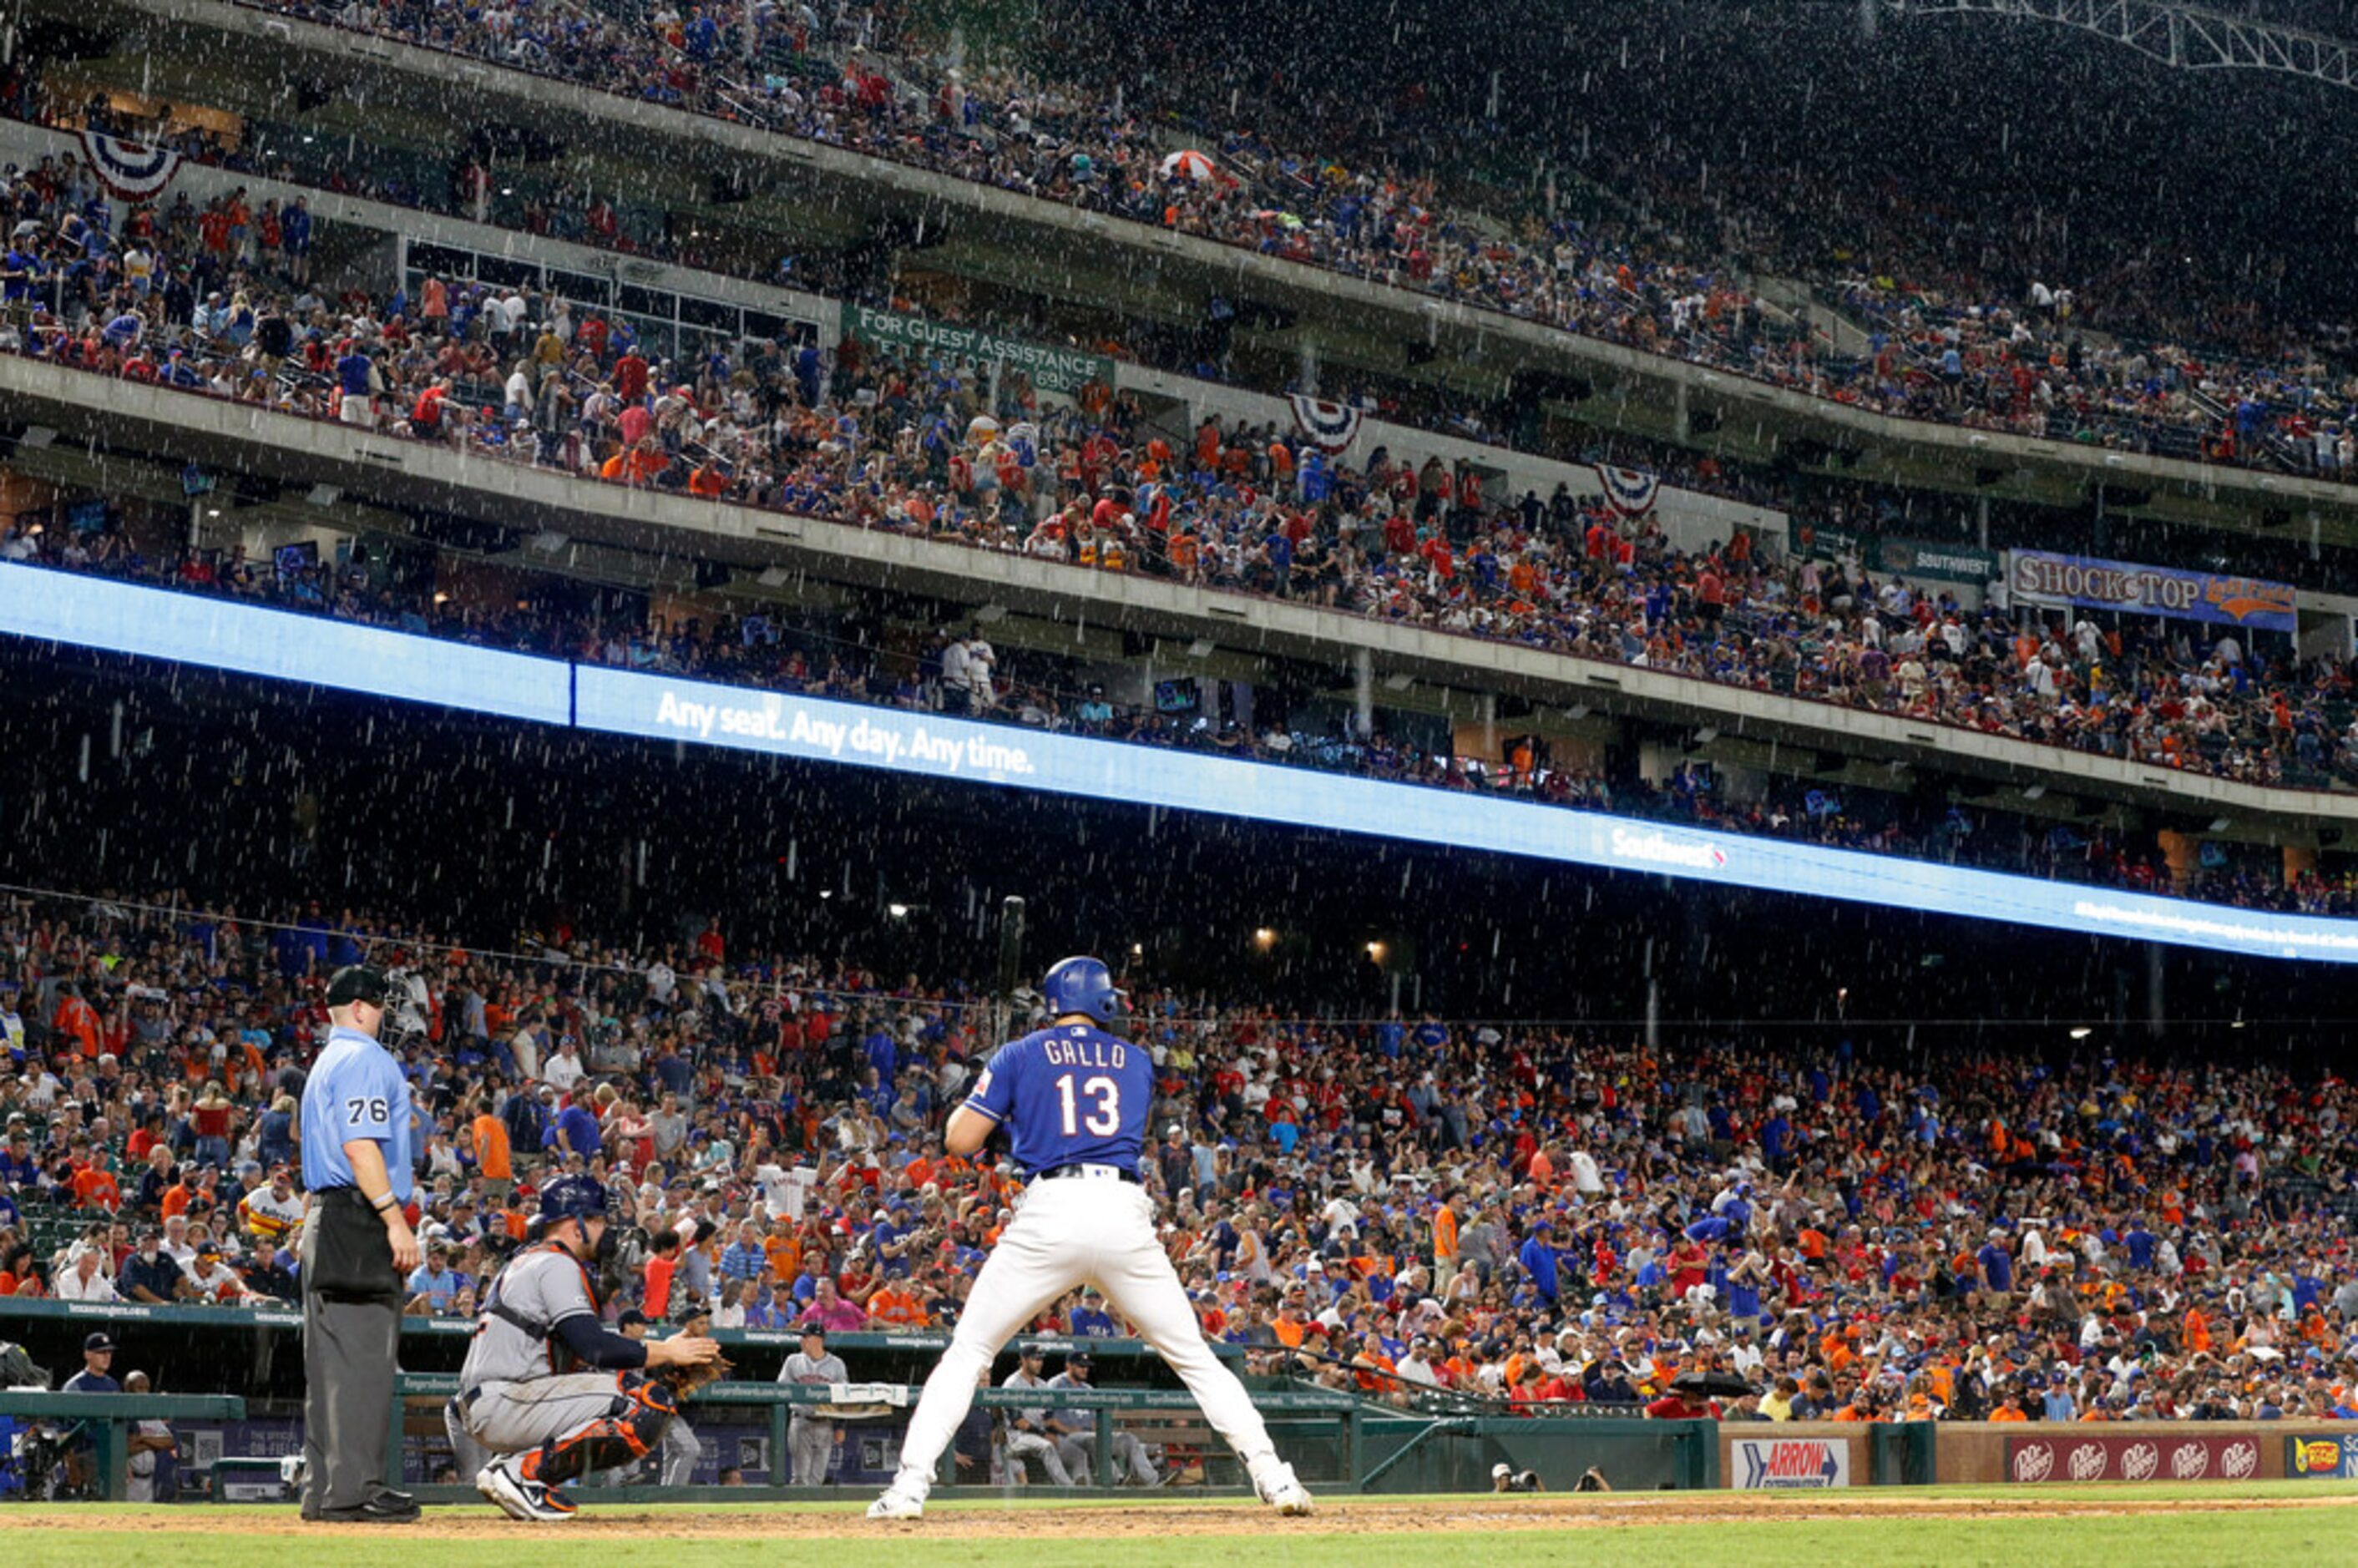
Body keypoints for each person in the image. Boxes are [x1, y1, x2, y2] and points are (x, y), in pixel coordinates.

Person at [867, 956, 1312, 1520]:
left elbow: (960, 1139)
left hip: (1051, 1210)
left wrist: (995, 1088)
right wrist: (1017, 1109)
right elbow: (1089, 1120)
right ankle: (1275, 1477)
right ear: (1102, 1001)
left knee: (970, 1352)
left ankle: (909, 1488)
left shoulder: (1021, 1053)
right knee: (1195, 1358)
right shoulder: (1135, 1060)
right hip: (1122, 1211)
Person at [460, 1176, 722, 1521]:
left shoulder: (530, 1259)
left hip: (497, 1399)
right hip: (506, 1400)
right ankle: (524, 1472)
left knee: (638, 1392)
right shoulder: (556, 1263)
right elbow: (593, 1347)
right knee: (644, 1401)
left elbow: (581, 1355)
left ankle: (511, 1467)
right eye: (598, 1219)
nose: (605, 1228)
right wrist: (667, 1351)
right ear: (575, 1224)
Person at [296, 963, 420, 1524]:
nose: (389, 1019)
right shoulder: (367, 1059)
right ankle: (357, 1489)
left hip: (325, 1216)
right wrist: (394, 1218)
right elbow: (361, 1146)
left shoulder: (325, 1061)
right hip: (359, 1218)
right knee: (366, 1360)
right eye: (385, 1008)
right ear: (365, 1008)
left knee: (328, 1368)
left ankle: (325, 1489)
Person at [1047, 1350, 1157, 1485]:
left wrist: (1101, 1435)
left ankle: (1151, 1481)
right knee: (1095, 1441)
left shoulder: (1088, 1389)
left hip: (1090, 1436)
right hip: (1067, 1437)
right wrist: (1069, 1430)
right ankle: (1118, 1480)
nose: (1085, 1369)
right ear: (1068, 1366)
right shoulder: (1056, 1384)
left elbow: (1095, 1422)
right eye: (1081, 1366)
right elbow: (1047, 1419)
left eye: (1086, 1366)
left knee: (1129, 1439)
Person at [778, 1320, 847, 1485]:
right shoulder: (793, 1361)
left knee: (817, 1478)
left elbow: (844, 1399)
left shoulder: (836, 1364)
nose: (801, 1341)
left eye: (805, 1337)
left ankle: (810, 1512)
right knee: (800, 1477)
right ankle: (796, 1511)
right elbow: (780, 1392)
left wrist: (841, 1426)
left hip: (825, 1423)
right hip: (801, 1420)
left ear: (818, 1339)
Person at [123, 1370, 177, 1502]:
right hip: (129, 1479)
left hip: (149, 1480)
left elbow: (169, 1442)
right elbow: (122, 1449)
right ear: (129, 1390)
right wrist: (152, 1444)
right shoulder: (123, 1414)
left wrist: (143, 1439)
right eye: (139, 1388)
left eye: (146, 1388)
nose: (144, 1392)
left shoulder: (150, 1413)